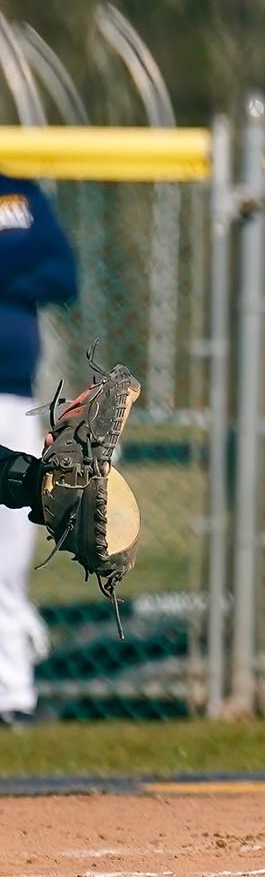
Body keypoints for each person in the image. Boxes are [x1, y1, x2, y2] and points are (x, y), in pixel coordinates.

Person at [0, 174, 77, 727]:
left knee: (6, 556)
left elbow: (62, 273)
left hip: (8, 398)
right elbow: (33, 268)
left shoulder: (19, 195)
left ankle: (11, 696)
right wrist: (13, 266)